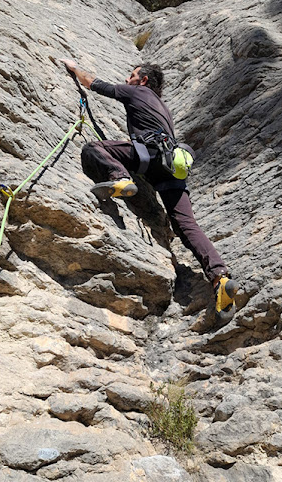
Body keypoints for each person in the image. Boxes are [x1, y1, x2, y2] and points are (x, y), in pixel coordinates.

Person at [62, 59, 239, 320]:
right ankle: (220, 279)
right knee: (186, 225)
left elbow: (95, 85)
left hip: (148, 155)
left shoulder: (138, 92)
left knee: (93, 148)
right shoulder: (164, 108)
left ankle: (120, 178)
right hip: (170, 167)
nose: (126, 80)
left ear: (143, 80)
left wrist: (75, 68)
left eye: (131, 76)